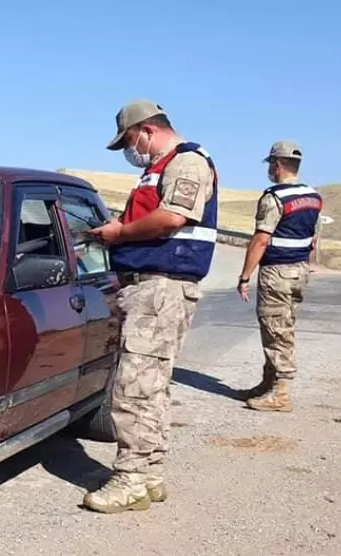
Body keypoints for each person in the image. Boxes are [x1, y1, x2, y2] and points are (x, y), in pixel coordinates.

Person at [83, 99, 219, 514]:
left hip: (161, 288)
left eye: (128, 139)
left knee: (135, 387)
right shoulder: (158, 168)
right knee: (152, 386)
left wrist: (119, 233)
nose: (130, 149)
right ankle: (150, 474)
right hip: (150, 287)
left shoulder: (187, 162)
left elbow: (172, 218)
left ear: (146, 129)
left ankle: (132, 479)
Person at [236, 140, 322, 412]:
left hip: (277, 272)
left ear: (277, 164)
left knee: (275, 328)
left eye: (271, 165)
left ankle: (281, 392)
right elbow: (313, 237)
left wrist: (245, 276)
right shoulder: (313, 197)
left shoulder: (274, 198)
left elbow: (261, 239)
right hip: (299, 271)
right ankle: (268, 383)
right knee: (284, 323)